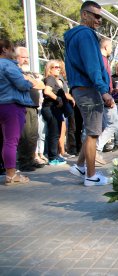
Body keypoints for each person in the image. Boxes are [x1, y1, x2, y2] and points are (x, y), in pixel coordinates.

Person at [65, 0, 113, 186]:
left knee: (91, 131)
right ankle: (91, 177)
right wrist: (103, 90)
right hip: (88, 89)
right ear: (84, 14)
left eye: (100, 17)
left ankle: (79, 167)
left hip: (80, 88)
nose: (99, 20)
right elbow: (92, 65)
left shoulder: (74, 36)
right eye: (96, 15)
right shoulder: (85, 34)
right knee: (93, 133)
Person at [0, 39, 44, 185]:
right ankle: (11, 175)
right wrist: (30, 81)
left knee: (6, 141)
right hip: (12, 106)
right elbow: (21, 84)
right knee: (11, 141)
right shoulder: (7, 65)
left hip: (2, 105)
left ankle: (9, 171)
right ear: (5, 49)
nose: (14, 52)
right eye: (12, 49)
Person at [15, 46, 45, 171]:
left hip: (34, 106)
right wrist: (33, 81)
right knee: (25, 135)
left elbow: (41, 85)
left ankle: (30, 159)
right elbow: (29, 83)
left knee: (33, 135)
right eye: (23, 57)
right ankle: (23, 162)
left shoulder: (29, 73)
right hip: (23, 105)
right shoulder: (16, 71)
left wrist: (31, 80)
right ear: (16, 58)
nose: (26, 60)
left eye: (27, 57)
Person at [42, 60, 72, 166]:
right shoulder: (50, 78)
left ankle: (55, 155)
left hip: (55, 109)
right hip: (50, 108)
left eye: (59, 67)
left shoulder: (55, 79)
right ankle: (52, 157)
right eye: (55, 67)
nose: (58, 69)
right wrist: (58, 99)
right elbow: (47, 91)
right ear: (50, 69)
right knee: (54, 133)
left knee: (56, 133)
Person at [95, 38, 118, 165]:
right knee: (113, 124)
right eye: (111, 47)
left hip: (106, 94)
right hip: (104, 96)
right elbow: (99, 79)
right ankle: (96, 149)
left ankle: (95, 152)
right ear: (105, 47)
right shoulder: (101, 60)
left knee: (103, 125)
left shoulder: (103, 60)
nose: (111, 50)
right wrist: (106, 95)